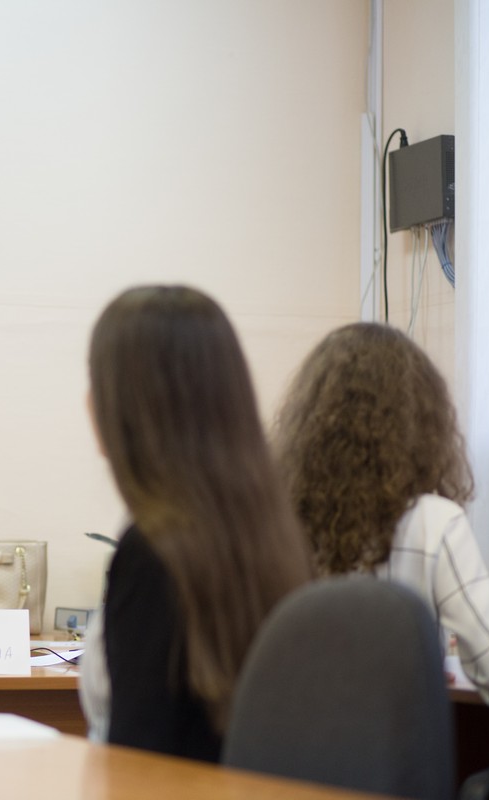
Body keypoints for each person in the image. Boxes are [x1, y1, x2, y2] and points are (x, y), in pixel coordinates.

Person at [77, 285, 312, 762]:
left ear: (128, 408)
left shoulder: (153, 552)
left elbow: (137, 761)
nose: (88, 400)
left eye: (96, 382)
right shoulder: (268, 532)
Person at [275, 321, 489, 705]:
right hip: (395, 737)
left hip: (283, 732)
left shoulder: (275, 519)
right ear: (422, 420)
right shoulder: (433, 523)